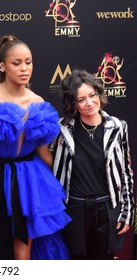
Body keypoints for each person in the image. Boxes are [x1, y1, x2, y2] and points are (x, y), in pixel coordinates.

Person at [0, 34, 71, 260]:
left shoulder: (38, 102)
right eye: (16, 63)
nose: (24, 68)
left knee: (24, 253)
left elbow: (43, 150)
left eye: (28, 62)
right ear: (2, 66)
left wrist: (71, 173)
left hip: (29, 182)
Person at [50, 69, 135, 259]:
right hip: (74, 208)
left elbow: (126, 173)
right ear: (73, 103)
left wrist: (128, 212)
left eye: (92, 95)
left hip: (107, 208)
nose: (89, 103)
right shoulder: (61, 130)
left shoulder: (118, 127)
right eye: (81, 100)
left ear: (99, 93)